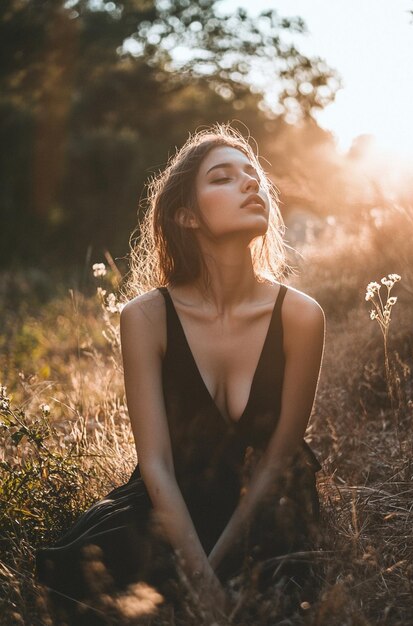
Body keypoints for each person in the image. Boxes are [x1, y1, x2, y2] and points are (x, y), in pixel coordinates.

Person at [36, 124, 325, 625]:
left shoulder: (301, 316)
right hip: (174, 506)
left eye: (252, 175)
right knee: (79, 580)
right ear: (185, 215)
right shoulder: (145, 318)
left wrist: (210, 573)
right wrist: (201, 579)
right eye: (223, 177)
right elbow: (155, 463)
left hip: (263, 504)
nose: (250, 184)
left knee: (276, 583)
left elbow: (278, 457)